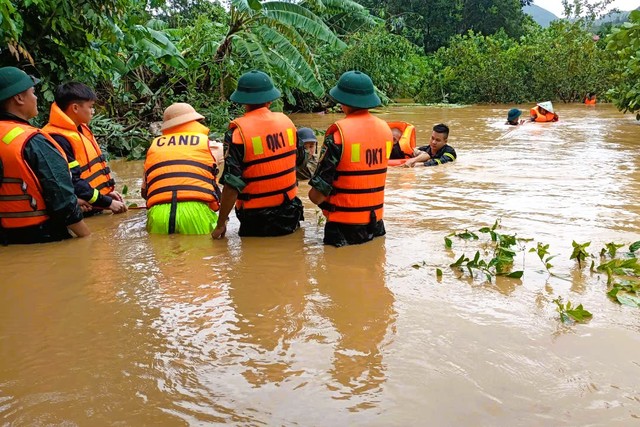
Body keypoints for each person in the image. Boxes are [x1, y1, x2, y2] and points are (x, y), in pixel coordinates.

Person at [0, 66, 90, 244]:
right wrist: (87, 237)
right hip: (40, 235)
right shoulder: (33, 141)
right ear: (18, 98)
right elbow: (62, 199)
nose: (36, 98)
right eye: (33, 93)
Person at [211, 70, 303, 239]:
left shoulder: (238, 134)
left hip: (256, 219)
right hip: (290, 211)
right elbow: (300, 160)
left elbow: (232, 185)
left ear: (242, 101)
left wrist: (221, 223)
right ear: (270, 99)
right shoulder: (287, 123)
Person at [308, 70, 392, 247]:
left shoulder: (339, 135)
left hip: (343, 228)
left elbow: (318, 195)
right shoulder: (385, 130)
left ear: (342, 101)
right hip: (376, 224)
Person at [43, 82, 126, 216]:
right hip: (79, 209)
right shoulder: (58, 139)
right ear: (75, 108)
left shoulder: (79, 129)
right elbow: (73, 181)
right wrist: (107, 202)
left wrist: (106, 194)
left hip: (92, 204)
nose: (93, 111)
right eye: (91, 107)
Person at [141, 103, 222, 234]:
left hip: (159, 215)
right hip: (196, 213)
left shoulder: (154, 149)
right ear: (195, 122)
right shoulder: (212, 146)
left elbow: (145, 192)